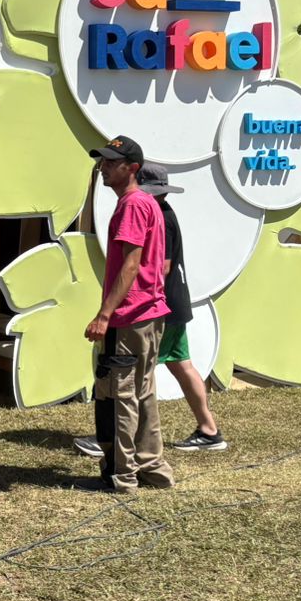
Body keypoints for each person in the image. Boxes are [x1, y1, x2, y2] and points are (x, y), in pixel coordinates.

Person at [74, 164, 227, 456]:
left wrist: (130, 292)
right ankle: (209, 430)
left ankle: (117, 438)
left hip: (157, 305)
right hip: (173, 303)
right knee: (178, 365)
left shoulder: (156, 216)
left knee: (133, 373)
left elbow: (162, 266)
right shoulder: (163, 212)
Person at [83, 135, 175, 493]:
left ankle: (122, 475)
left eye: (111, 163)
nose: (104, 168)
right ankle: (153, 468)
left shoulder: (133, 205)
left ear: (132, 168)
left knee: (119, 396)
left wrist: (105, 315)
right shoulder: (147, 203)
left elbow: (131, 263)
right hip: (148, 314)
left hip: (130, 316)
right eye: (103, 162)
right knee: (141, 392)